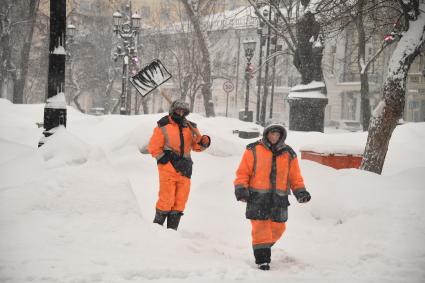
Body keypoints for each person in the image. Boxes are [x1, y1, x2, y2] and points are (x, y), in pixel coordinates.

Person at [233, 123, 311, 270]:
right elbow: (243, 172)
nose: (274, 137)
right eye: (272, 134)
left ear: (281, 136)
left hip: (279, 199)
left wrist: (300, 192)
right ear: (266, 134)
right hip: (257, 198)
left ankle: (262, 247)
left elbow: (295, 177)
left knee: (279, 228)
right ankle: (263, 260)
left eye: (277, 134)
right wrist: (241, 189)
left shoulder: (289, 153)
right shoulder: (253, 149)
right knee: (261, 229)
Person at [148, 99, 211, 230]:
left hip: (185, 168)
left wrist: (203, 143)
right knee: (166, 200)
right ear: (173, 110)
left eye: (183, 111)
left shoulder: (189, 127)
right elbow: (154, 147)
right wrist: (165, 162)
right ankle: (156, 231)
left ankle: (172, 232)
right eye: (178, 110)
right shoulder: (163, 125)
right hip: (168, 168)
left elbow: (195, 147)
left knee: (180, 202)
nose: (180, 113)